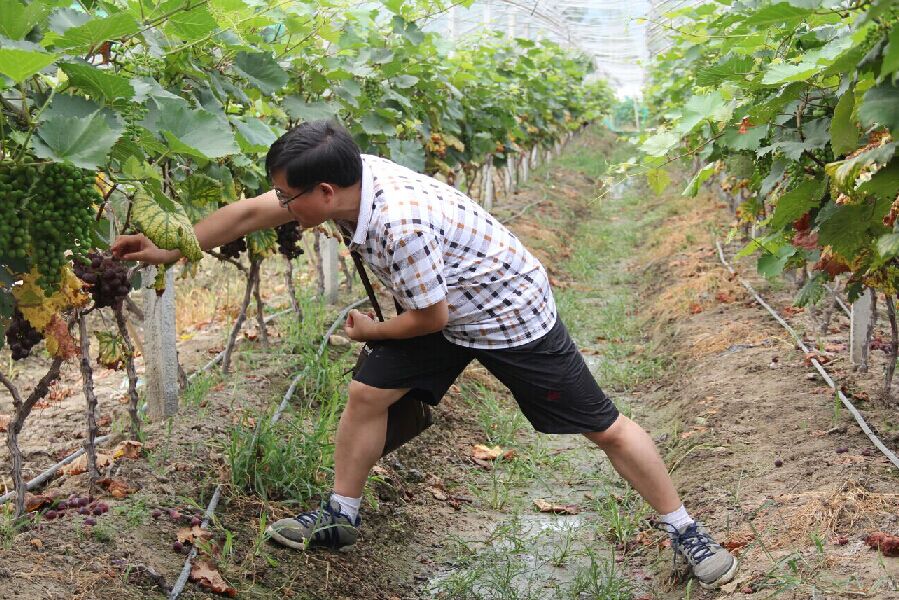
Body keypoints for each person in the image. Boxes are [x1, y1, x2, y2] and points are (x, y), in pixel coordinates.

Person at [111, 120, 738, 590]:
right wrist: (171, 249)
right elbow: (252, 211)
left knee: (602, 427)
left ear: (326, 191)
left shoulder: (397, 225)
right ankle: (340, 514)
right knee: (367, 394)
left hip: (503, 314)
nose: (282, 207)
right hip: (440, 301)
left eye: (290, 197)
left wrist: (366, 333)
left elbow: (428, 318)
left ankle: (685, 529)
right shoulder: (351, 181)